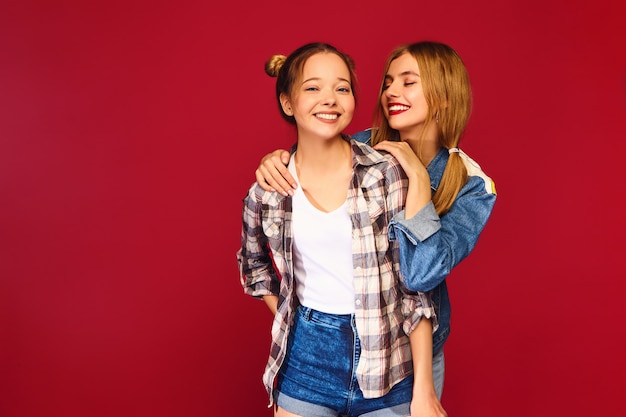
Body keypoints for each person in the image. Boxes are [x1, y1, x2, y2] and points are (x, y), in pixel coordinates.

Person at [254, 41, 497, 400]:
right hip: (339, 344)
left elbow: (421, 275)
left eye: (407, 82)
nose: (390, 92)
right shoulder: (364, 147)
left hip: (411, 356)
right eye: (387, 82)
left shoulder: (472, 186)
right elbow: (311, 155)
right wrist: (277, 160)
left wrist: (416, 178)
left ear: (444, 97)